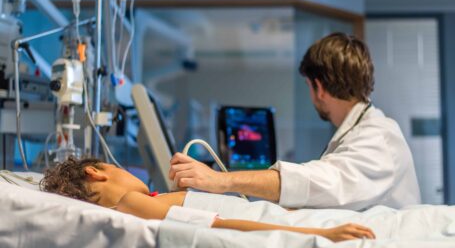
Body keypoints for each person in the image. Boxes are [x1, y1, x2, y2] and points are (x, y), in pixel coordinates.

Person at [169, 32, 421, 210]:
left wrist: (223, 181)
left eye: (309, 87)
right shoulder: (358, 133)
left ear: (318, 87)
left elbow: (321, 181)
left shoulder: (380, 137)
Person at [40, 157, 375, 242]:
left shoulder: (142, 201)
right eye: (115, 166)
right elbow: (223, 227)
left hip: (291, 219)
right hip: (293, 229)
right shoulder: (130, 203)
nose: (127, 171)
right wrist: (322, 235)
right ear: (96, 174)